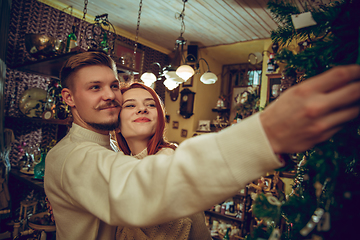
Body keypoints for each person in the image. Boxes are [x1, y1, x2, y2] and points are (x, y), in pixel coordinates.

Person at [44, 51, 360, 240]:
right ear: (68, 98)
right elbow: (142, 187)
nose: (110, 95)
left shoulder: (107, 149)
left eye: (114, 85)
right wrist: (266, 133)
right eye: (94, 87)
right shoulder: (75, 155)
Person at [114, 82, 211, 240]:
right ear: (116, 125)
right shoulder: (120, 165)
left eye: (151, 105)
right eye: (130, 105)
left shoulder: (170, 161)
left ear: (159, 118)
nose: (142, 109)